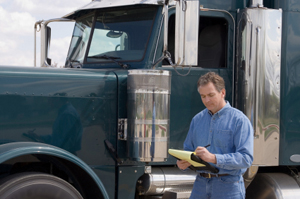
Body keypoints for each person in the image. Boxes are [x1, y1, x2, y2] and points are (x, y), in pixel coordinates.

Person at [177, 72, 253, 199]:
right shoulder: (197, 119)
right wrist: (184, 163)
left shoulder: (239, 120)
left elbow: (246, 159)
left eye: (211, 95)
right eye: (203, 96)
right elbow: (189, 150)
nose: (206, 100)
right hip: (200, 186)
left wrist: (213, 158)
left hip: (228, 187)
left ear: (222, 92)